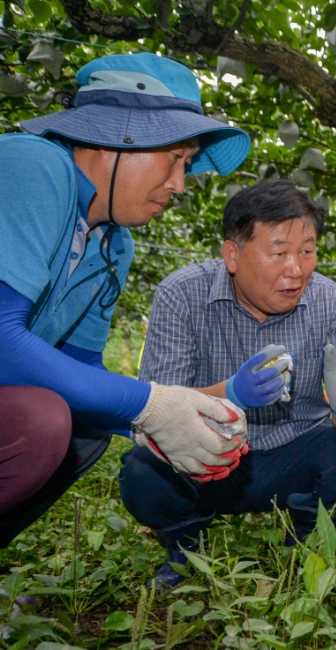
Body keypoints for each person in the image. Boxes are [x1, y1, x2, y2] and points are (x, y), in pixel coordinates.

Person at [0, 52, 252, 547]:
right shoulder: (33, 166)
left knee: (80, 425)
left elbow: (81, 369)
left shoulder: (112, 245)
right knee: (43, 421)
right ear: (120, 133)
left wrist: (170, 425)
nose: (180, 184)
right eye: (176, 158)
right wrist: (151, 405)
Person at [118, 180, 336, 587]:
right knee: (143, 472)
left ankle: (303, 539)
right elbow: (157, 408)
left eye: (307, 251)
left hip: (294, 453)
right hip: (209, 455)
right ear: (233, 253)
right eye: (279, 252)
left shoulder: (331, 303)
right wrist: (228, 395)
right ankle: (186, 544)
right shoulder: (181, 295)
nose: (296, 269)